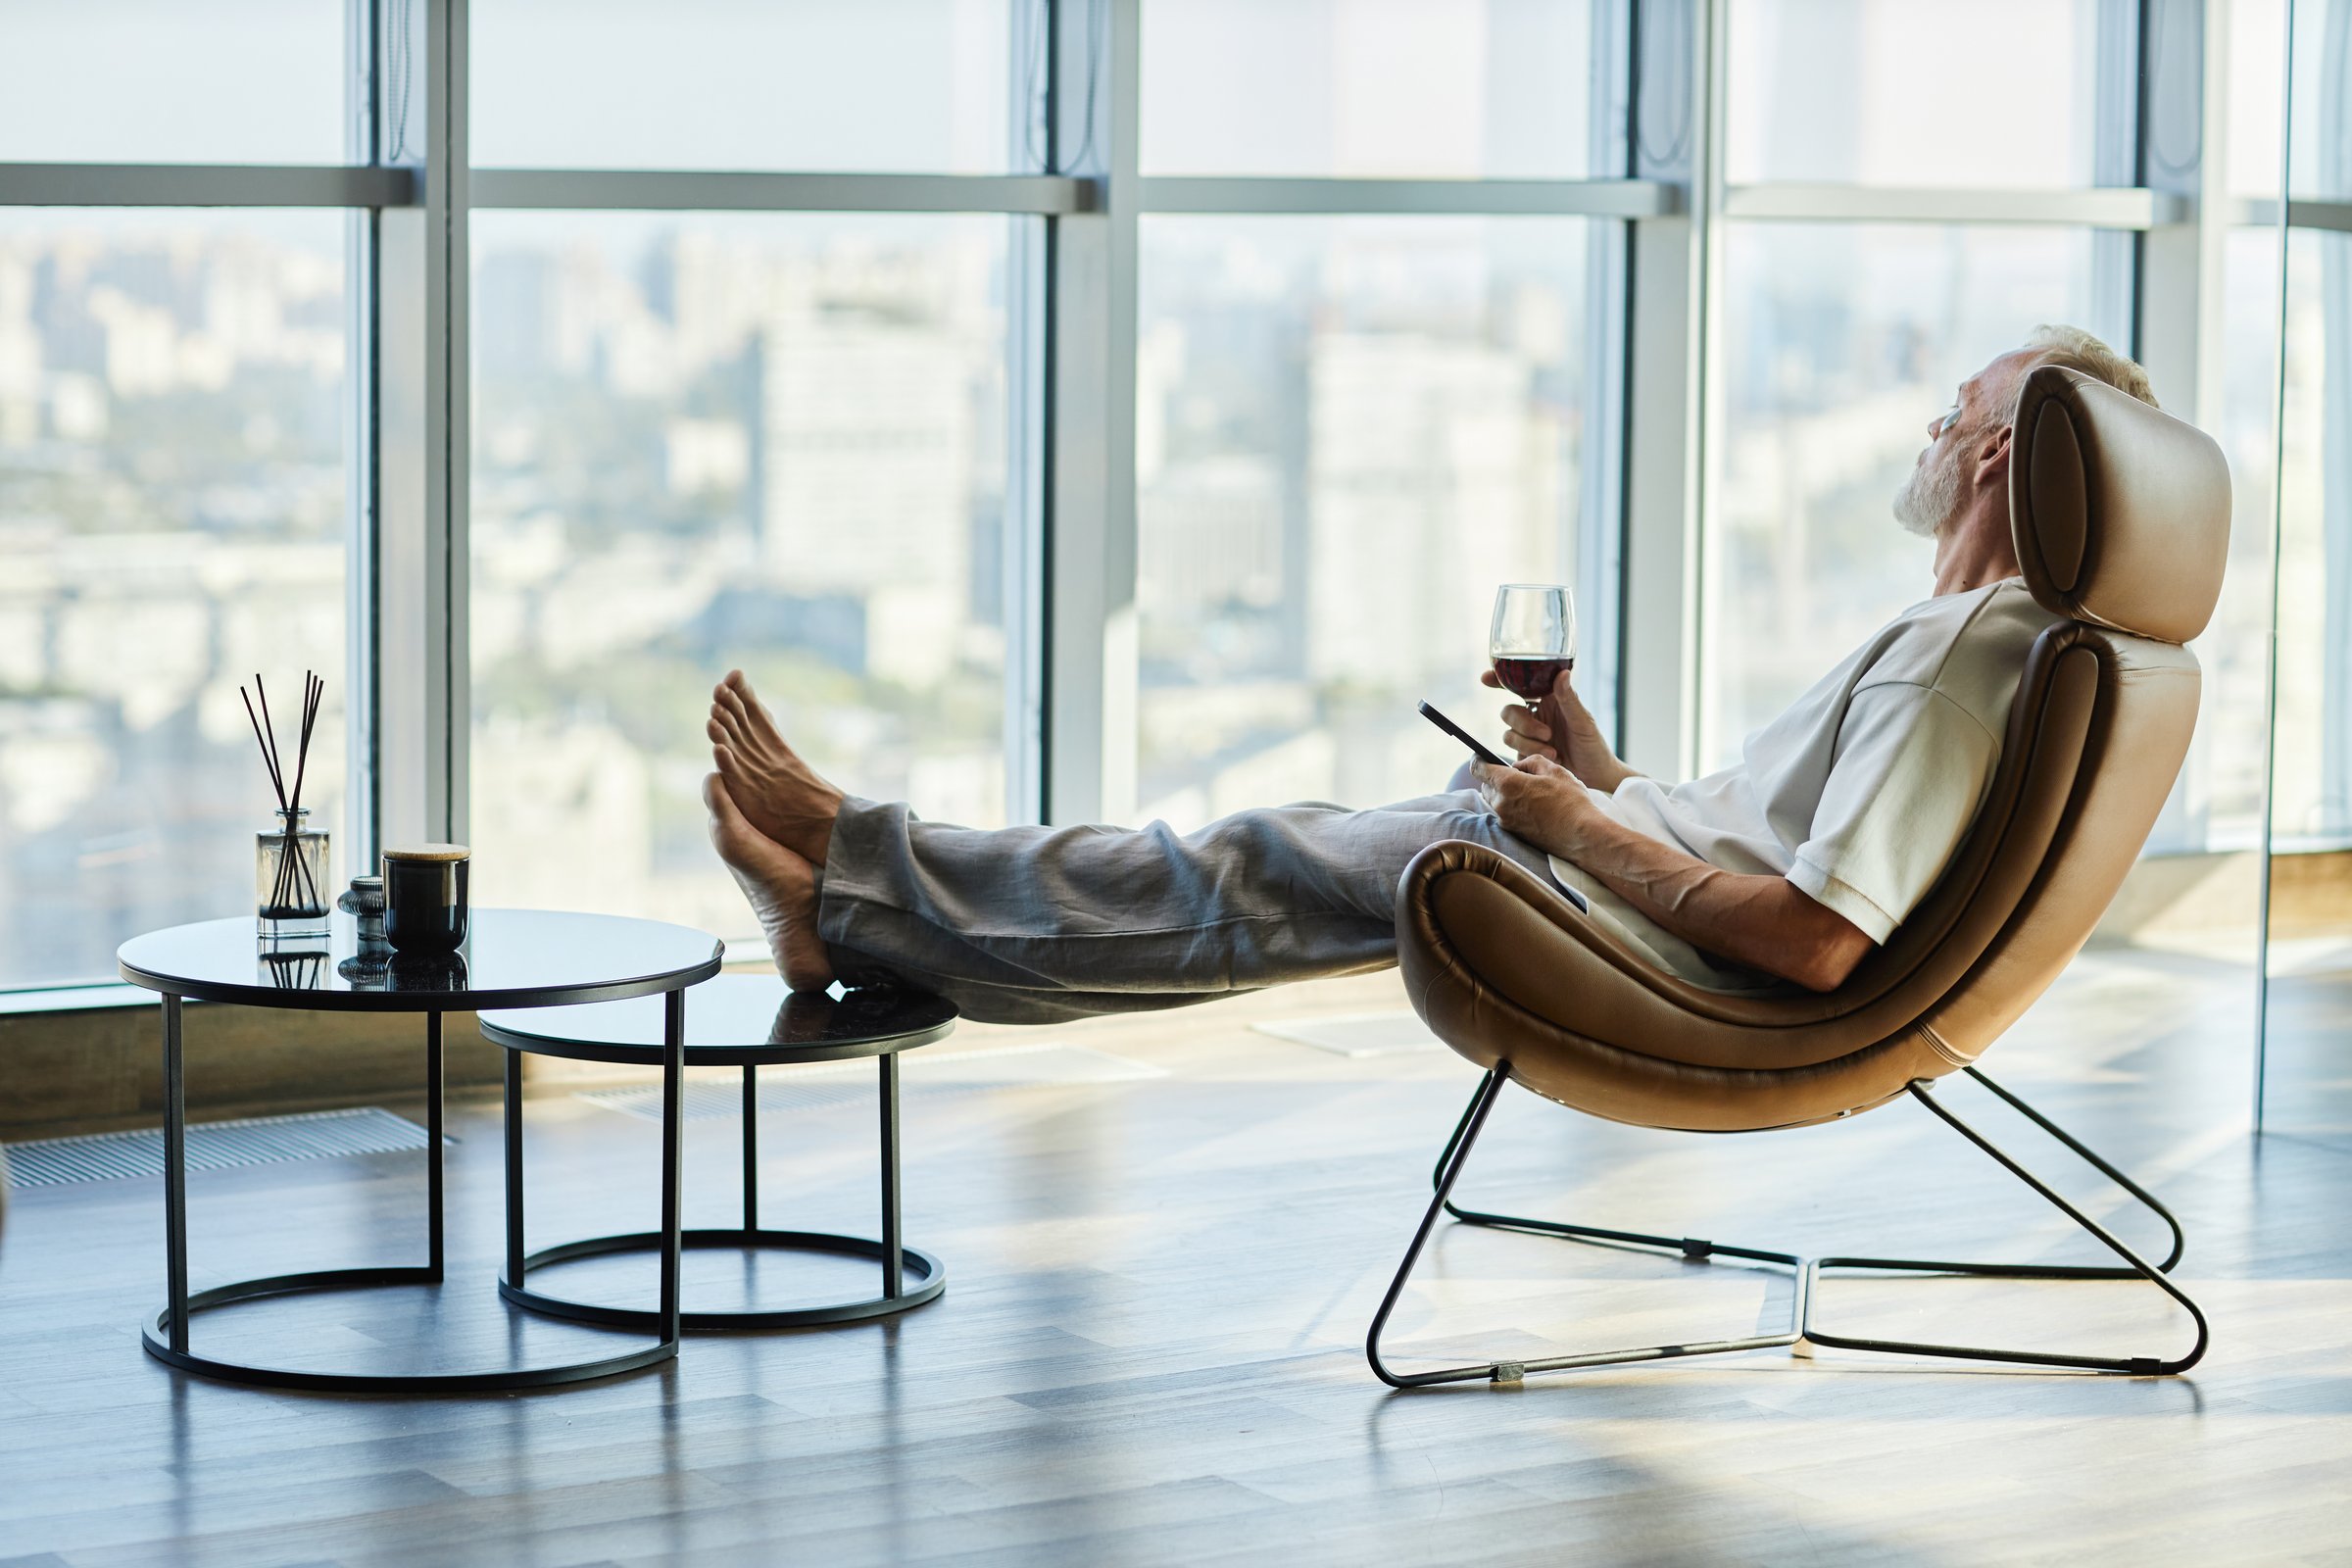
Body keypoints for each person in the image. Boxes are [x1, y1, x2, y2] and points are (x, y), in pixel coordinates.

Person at [702, 325, 2159, 1024]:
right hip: (1610, 870)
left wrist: (1569, 827)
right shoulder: (1992, 643)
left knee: (1238, 867)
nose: (1923, 426)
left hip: (1629, 920)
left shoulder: (1966, 656)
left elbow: (1814, 941)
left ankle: (851, 863)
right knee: (1247, 881)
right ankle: (860, 909)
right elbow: (1764, 840)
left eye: (1948, 410)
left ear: (1989, 453)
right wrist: (1592, 765)